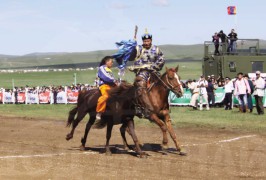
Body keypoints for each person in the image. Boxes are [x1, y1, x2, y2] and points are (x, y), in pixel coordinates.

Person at [129, 30, 165, 117]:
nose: (146, 43)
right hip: (141, 71)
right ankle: (139, 107)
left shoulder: (156, 49)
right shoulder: (138, 48)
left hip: (154, 71)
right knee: (140, 85)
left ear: (151, 40)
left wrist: (154, 67)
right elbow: (130, 57)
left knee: (164, 84)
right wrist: (132, 48)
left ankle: (165, 105)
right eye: (144, 41)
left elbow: (162, 59)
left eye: (148, 41)